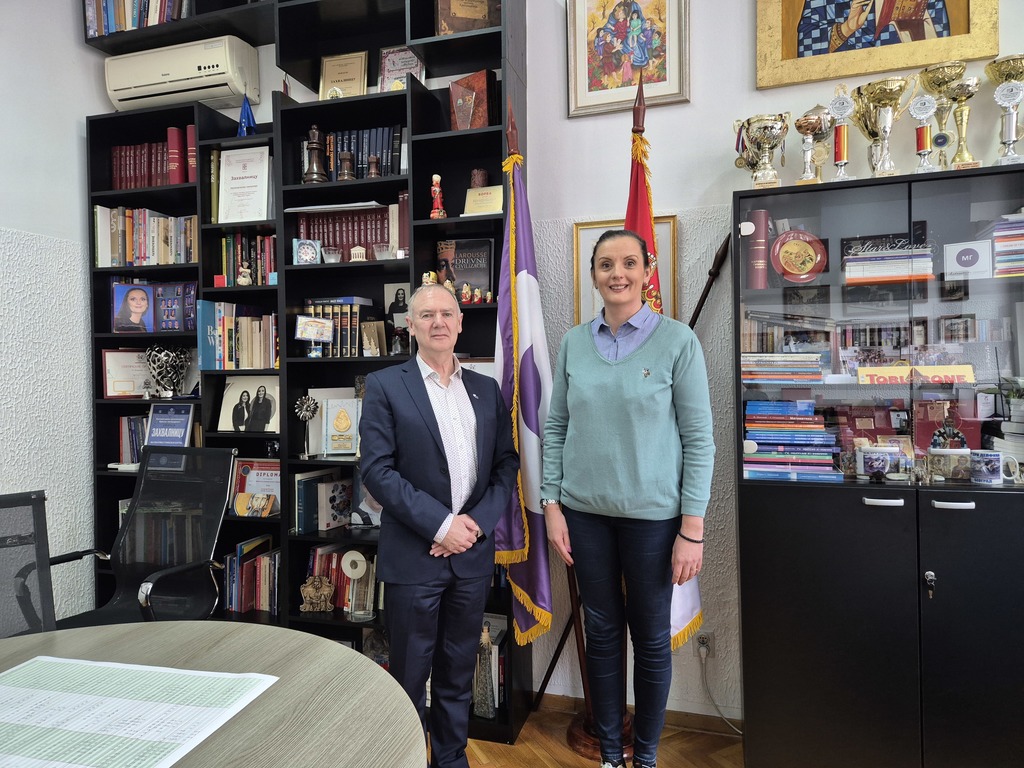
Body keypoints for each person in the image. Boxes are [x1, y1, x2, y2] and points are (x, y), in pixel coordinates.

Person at [541, 230, 715, 768]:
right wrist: (551, 505)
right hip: (584, 516)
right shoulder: (573, 343)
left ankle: (646, 757)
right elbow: (556, 427)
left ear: (646, 270)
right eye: (606, 264)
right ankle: (611, 756)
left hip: (655, 522)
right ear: (594, 274)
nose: (617, 273)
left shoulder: (678, 342)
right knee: (602, 633)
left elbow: (699, 440)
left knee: (652, 638)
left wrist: (692, 531)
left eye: (629, 263)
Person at [359, 284, 518, 768]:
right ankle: (406, 759)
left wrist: (472, 526)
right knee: (409, 678)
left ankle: (451, 760)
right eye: (426, 314)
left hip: (470, 557)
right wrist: (441, 525)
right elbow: (377, 471)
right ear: (410, 325)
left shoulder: (485, 390)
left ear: (461, 322)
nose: (438, 322)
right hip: (414, 558)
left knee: (456, 674)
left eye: (447, 313)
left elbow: (506, 465)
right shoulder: (386, 385)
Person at [796, 0, 950, 57]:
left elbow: (943, 45)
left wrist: (910, 23)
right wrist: (847, 28)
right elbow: (806, 48)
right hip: (845, 88)